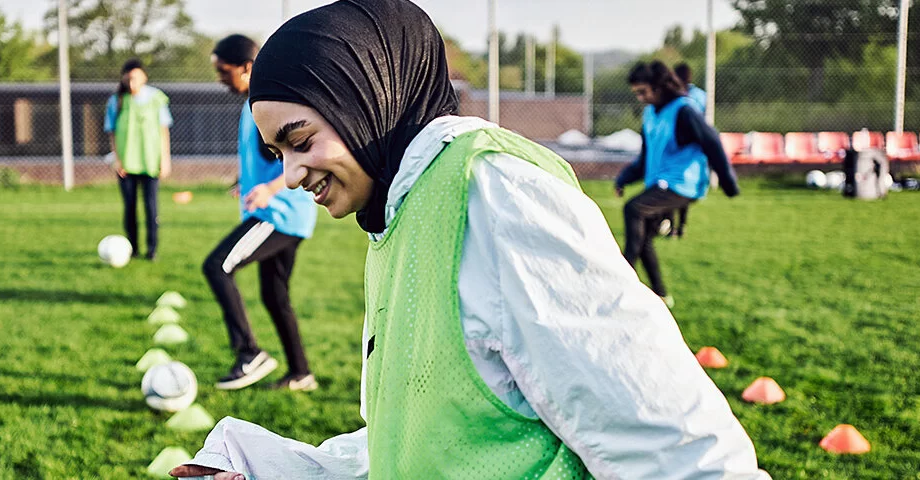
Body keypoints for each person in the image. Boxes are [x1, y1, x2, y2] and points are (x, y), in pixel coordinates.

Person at [170, 1, 768, 478]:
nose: (291, 175)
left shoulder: (493, 190)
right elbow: (422, 443)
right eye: (277, 153)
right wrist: (267, 469)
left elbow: (672, 445)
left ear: (368, 99)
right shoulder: (397, 211)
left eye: (301, 141)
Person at [202, 34, 320, 392]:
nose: (220, 78)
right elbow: (266, 156)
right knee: (274, 295)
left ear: (247, 67)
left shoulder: (268, 101)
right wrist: (247, 180)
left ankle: (249, 353)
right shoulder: (253, 102)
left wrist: (269, 188)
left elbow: (294, 153)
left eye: (224, 71)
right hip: (283, 213)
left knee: (218, 266)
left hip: (278, 214)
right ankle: (301, 373)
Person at [615, 61, 739, 308]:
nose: (640, 98)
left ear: (659, 87)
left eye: (643, 92)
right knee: (645, 238)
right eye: (636, 93)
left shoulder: (684, 110)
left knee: (634, 209)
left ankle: (621, 278)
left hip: (683, 183)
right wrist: (624, 178)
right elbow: (645, 157)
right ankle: (661, 295)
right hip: (659, 183)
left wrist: (727, 181)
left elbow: (711, 140)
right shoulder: (651, 114)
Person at [105, 58, 173, 260]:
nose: (132, 82)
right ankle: (132, 249)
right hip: (126, 164)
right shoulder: (116, 101)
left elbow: (163, 131)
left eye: (135, 78)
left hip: (150, 162)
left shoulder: (156, 99)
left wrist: (165, 159)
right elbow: (112, 133)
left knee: (151, 207)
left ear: (144, 76)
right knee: (130, 208)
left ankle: (152, 250)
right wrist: (117, 159)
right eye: (128, 79)